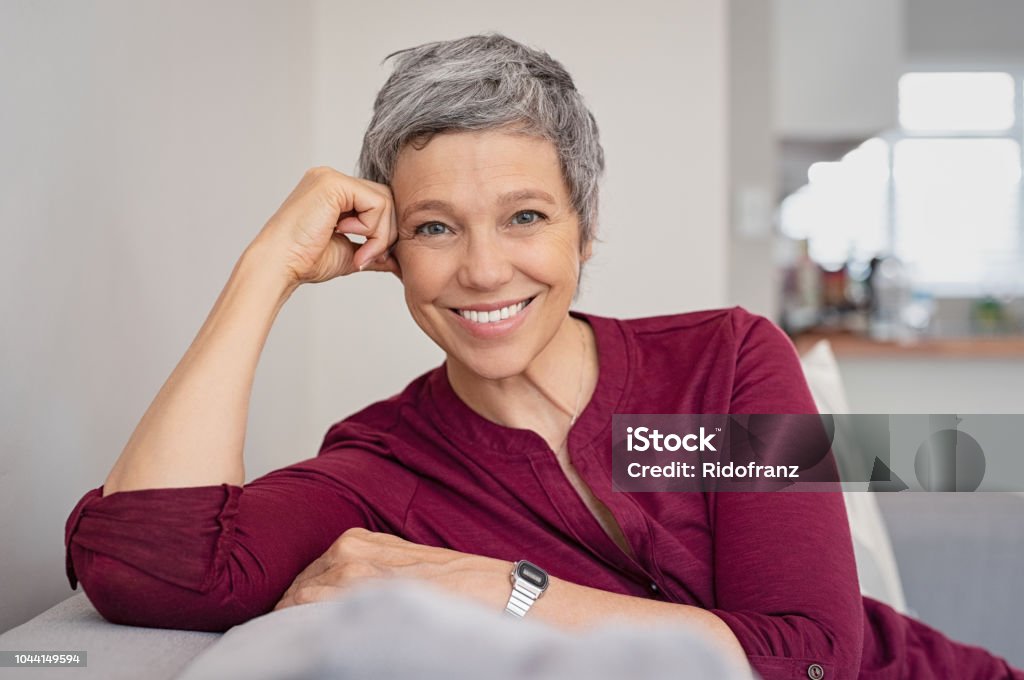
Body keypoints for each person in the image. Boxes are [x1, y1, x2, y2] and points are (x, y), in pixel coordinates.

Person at [65, 34, 1022, 680]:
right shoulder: (380, 468)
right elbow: (154, 565)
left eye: (525, 217)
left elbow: (810, 658)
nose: (484, 271)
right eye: (436, 227)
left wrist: (507, 592)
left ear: (583, 231)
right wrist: (266, 267)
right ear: (388, 249)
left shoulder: (723, 367)